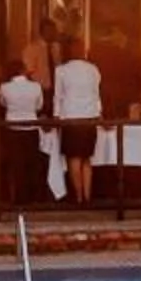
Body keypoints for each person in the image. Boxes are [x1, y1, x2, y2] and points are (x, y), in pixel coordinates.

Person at [52, 33, 104, 205]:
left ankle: (78, 196)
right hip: (89, 117)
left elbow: (58, 97)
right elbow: (97, 95)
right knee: (87, 159)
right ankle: (88, 196)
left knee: (74, 158)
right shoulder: (93, 69)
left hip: (70, 118)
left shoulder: (61, 71)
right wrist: (98, 113)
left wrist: (56, 116)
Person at [0, 56, 47, 204]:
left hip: (12, 127)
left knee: (16, 164)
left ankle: (19, 197)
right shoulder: (36, 87)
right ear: (22, 70)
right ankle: (34, 196)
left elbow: (2, 103)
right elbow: (39, 106)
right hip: (31, 126)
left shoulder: (4, 87)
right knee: (31, 162)